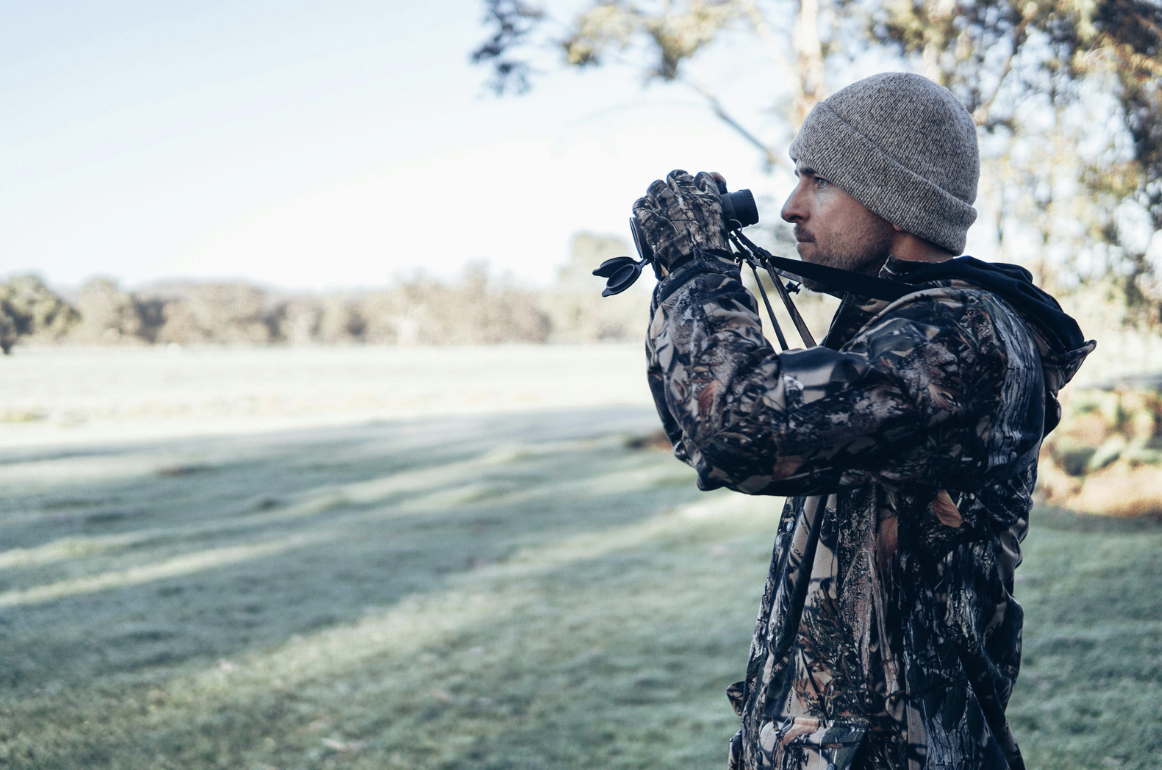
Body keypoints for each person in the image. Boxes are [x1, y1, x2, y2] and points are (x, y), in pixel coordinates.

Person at [631, 72, 1094, 770]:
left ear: (896, 196)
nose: (789, 207)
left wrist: (696, 265)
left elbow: (737, 429)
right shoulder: (897, 328)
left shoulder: (961, 337)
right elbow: (711, 429)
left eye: (818, 180)